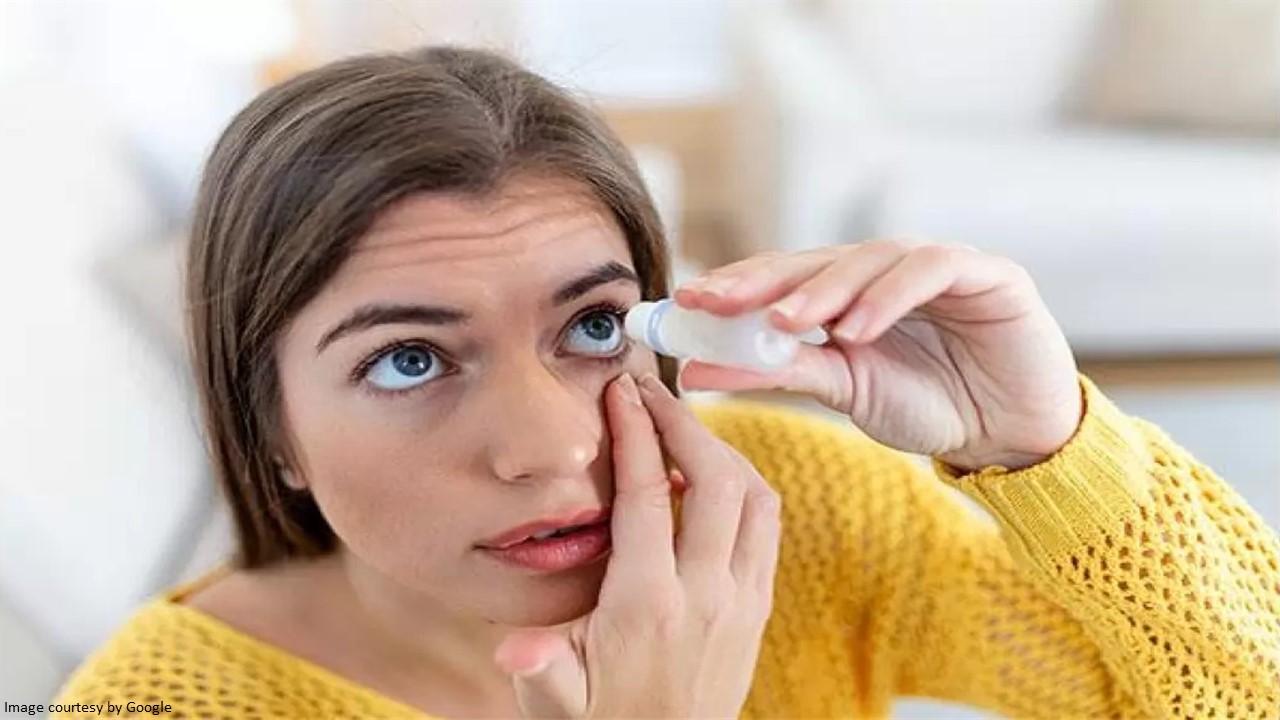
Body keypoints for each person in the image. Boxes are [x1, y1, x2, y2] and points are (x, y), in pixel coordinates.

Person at [54, 46, 1278, 720]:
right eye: (409, 359)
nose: (552, 451)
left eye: (591, 325)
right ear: (269, 428)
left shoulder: (790, 512)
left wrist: (1043, 446)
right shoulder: (163, 710)